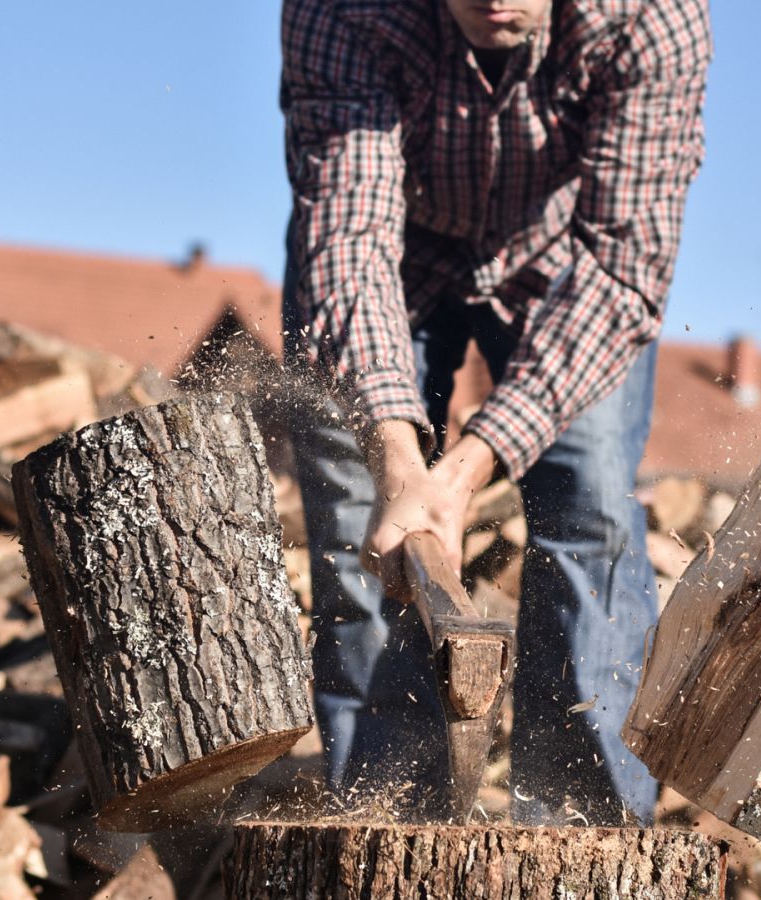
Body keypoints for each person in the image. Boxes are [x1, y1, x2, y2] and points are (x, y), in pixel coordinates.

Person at [279, 0, 710, 825]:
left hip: (568, 268)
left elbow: (623, 268)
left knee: (592, 516)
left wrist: (471, 463)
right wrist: (400, 464)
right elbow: (350, 235)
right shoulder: (343, 9)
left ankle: (586, 840)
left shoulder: (652, 16)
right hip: (391, 257)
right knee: (362, 527)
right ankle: (388, 827)